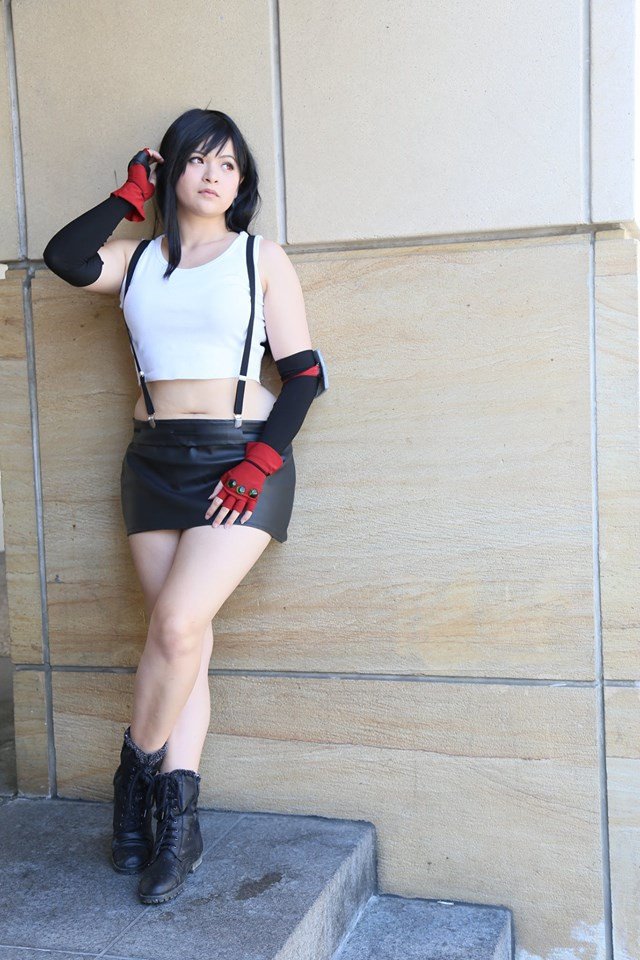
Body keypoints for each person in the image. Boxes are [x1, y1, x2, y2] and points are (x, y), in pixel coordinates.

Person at [42, 108, 326, 905]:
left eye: (228, 164)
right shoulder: (136, 260)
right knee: (184, 641)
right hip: (154, 462)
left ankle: (132, 779)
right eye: (197, 159)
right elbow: (64, 258)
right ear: (171, 171)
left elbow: (305, 374)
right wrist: (128, 194)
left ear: (242, 184)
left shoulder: (260, 258)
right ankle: (179, 827)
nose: (213, 174)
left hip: (242, 460)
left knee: (173, 627)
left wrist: (261, 461)